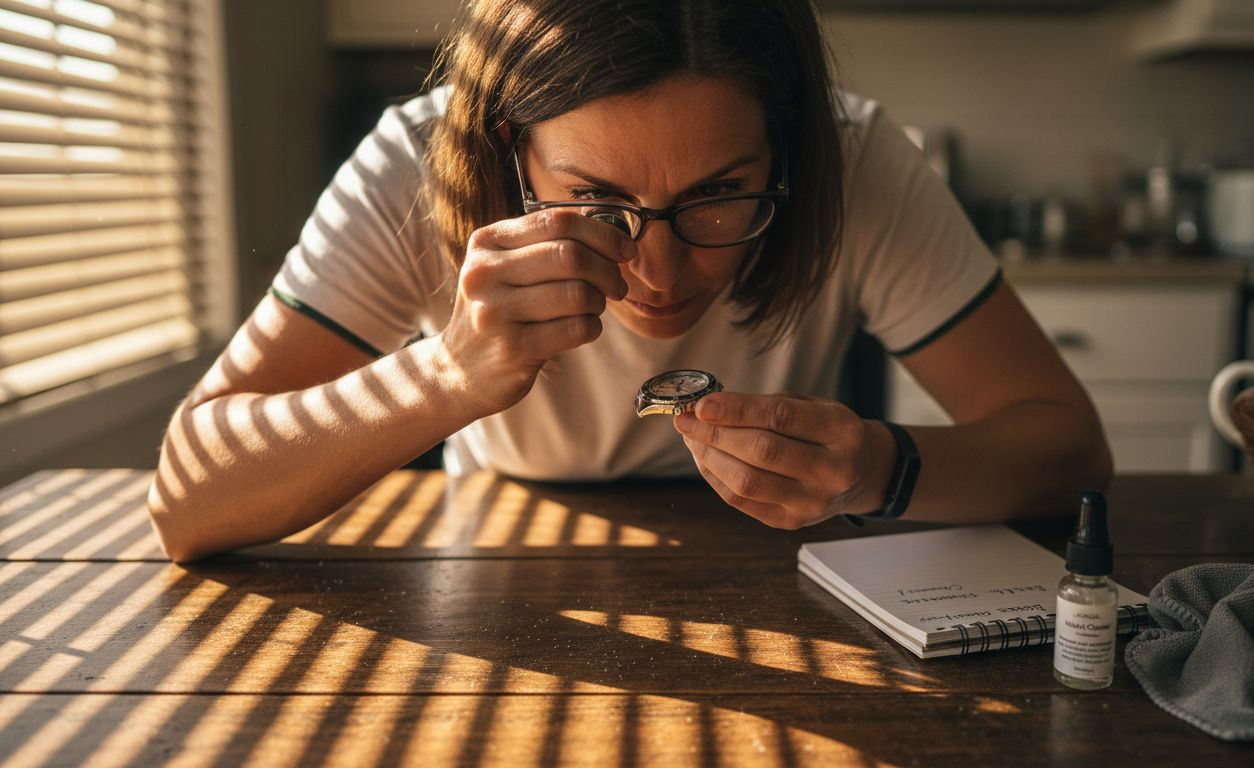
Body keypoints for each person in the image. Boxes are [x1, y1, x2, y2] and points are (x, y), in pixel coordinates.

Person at [147, 0, 1111, 562]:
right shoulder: (416, 164)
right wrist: (443, 377)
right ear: (509, 157)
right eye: (596, 200)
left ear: (788, 150)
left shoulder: (856, 162)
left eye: (721, 195)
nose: (657, 271)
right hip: (501, 562)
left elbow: (1068, 448)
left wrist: (879, 469)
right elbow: (188, 496)